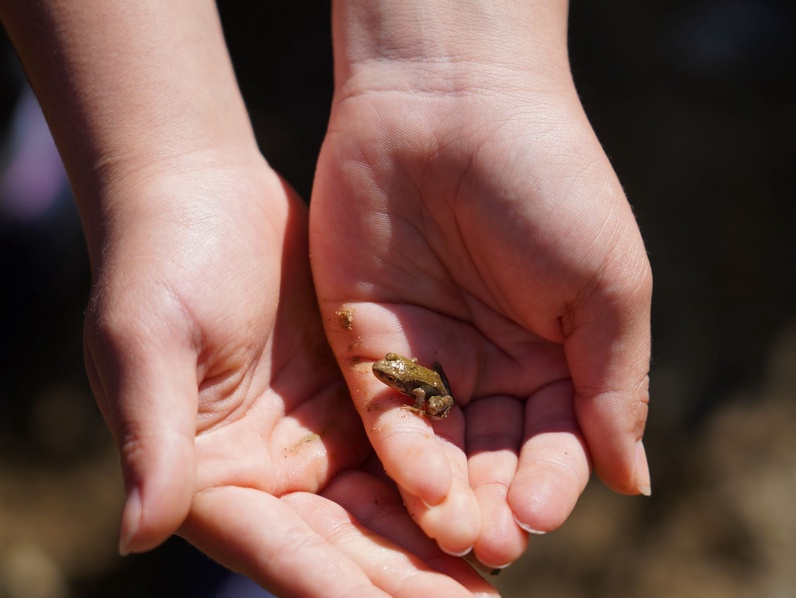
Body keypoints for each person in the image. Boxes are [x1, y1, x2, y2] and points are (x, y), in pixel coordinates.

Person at [0, 0, 651, 594]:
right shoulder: (394, 374)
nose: (390, 374)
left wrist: (461, 70)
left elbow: (428, 389)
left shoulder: (410, 378)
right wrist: (163, 167)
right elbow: (405, 380)